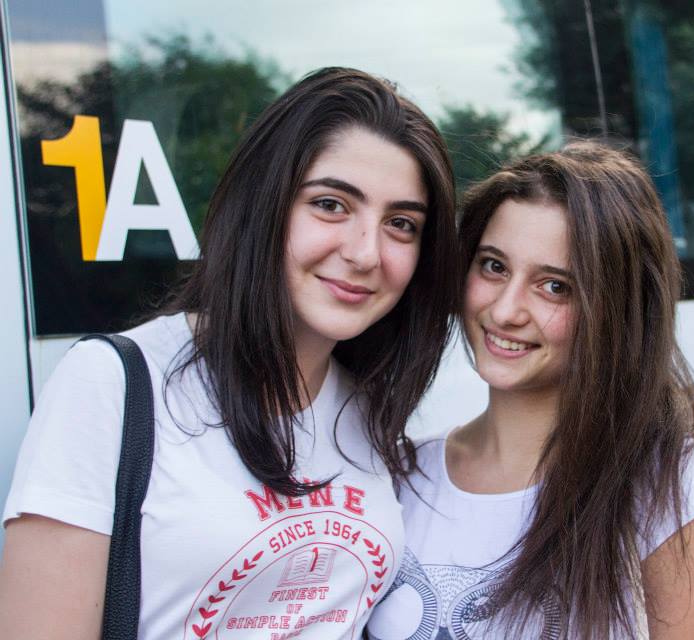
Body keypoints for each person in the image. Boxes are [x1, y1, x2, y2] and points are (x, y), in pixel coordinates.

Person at [0, 67, 458, 640]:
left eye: (401, 224)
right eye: (331, 205)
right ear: (262, 205)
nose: (367, 253)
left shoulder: (367, 406)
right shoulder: (115, 382)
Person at [366, 141, 694, 639]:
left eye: (555, 286)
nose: (505, 310)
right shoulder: (402, 474)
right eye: (493, 266)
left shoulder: (665, 479)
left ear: (615, 310)